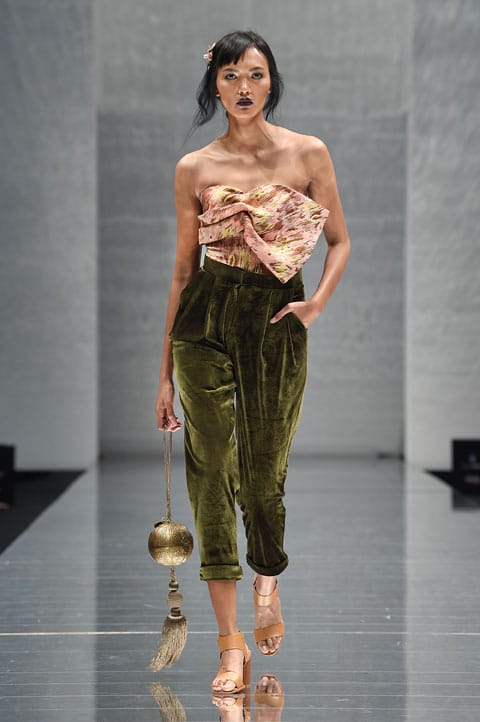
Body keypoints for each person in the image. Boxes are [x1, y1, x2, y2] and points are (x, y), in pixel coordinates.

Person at [154, 29, 351, 696]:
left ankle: (268, 579)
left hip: (274, 317)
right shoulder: (194, 167)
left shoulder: (307, 152)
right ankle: (230, 643)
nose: (243, 86)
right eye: (231, 74)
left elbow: (339, 240)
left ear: (271, 82)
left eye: (255, 74)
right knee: (211, 473)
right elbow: (182, 271)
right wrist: (162, 374)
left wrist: (315, 304)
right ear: (215, 85)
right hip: (205, 318)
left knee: (264, 474)